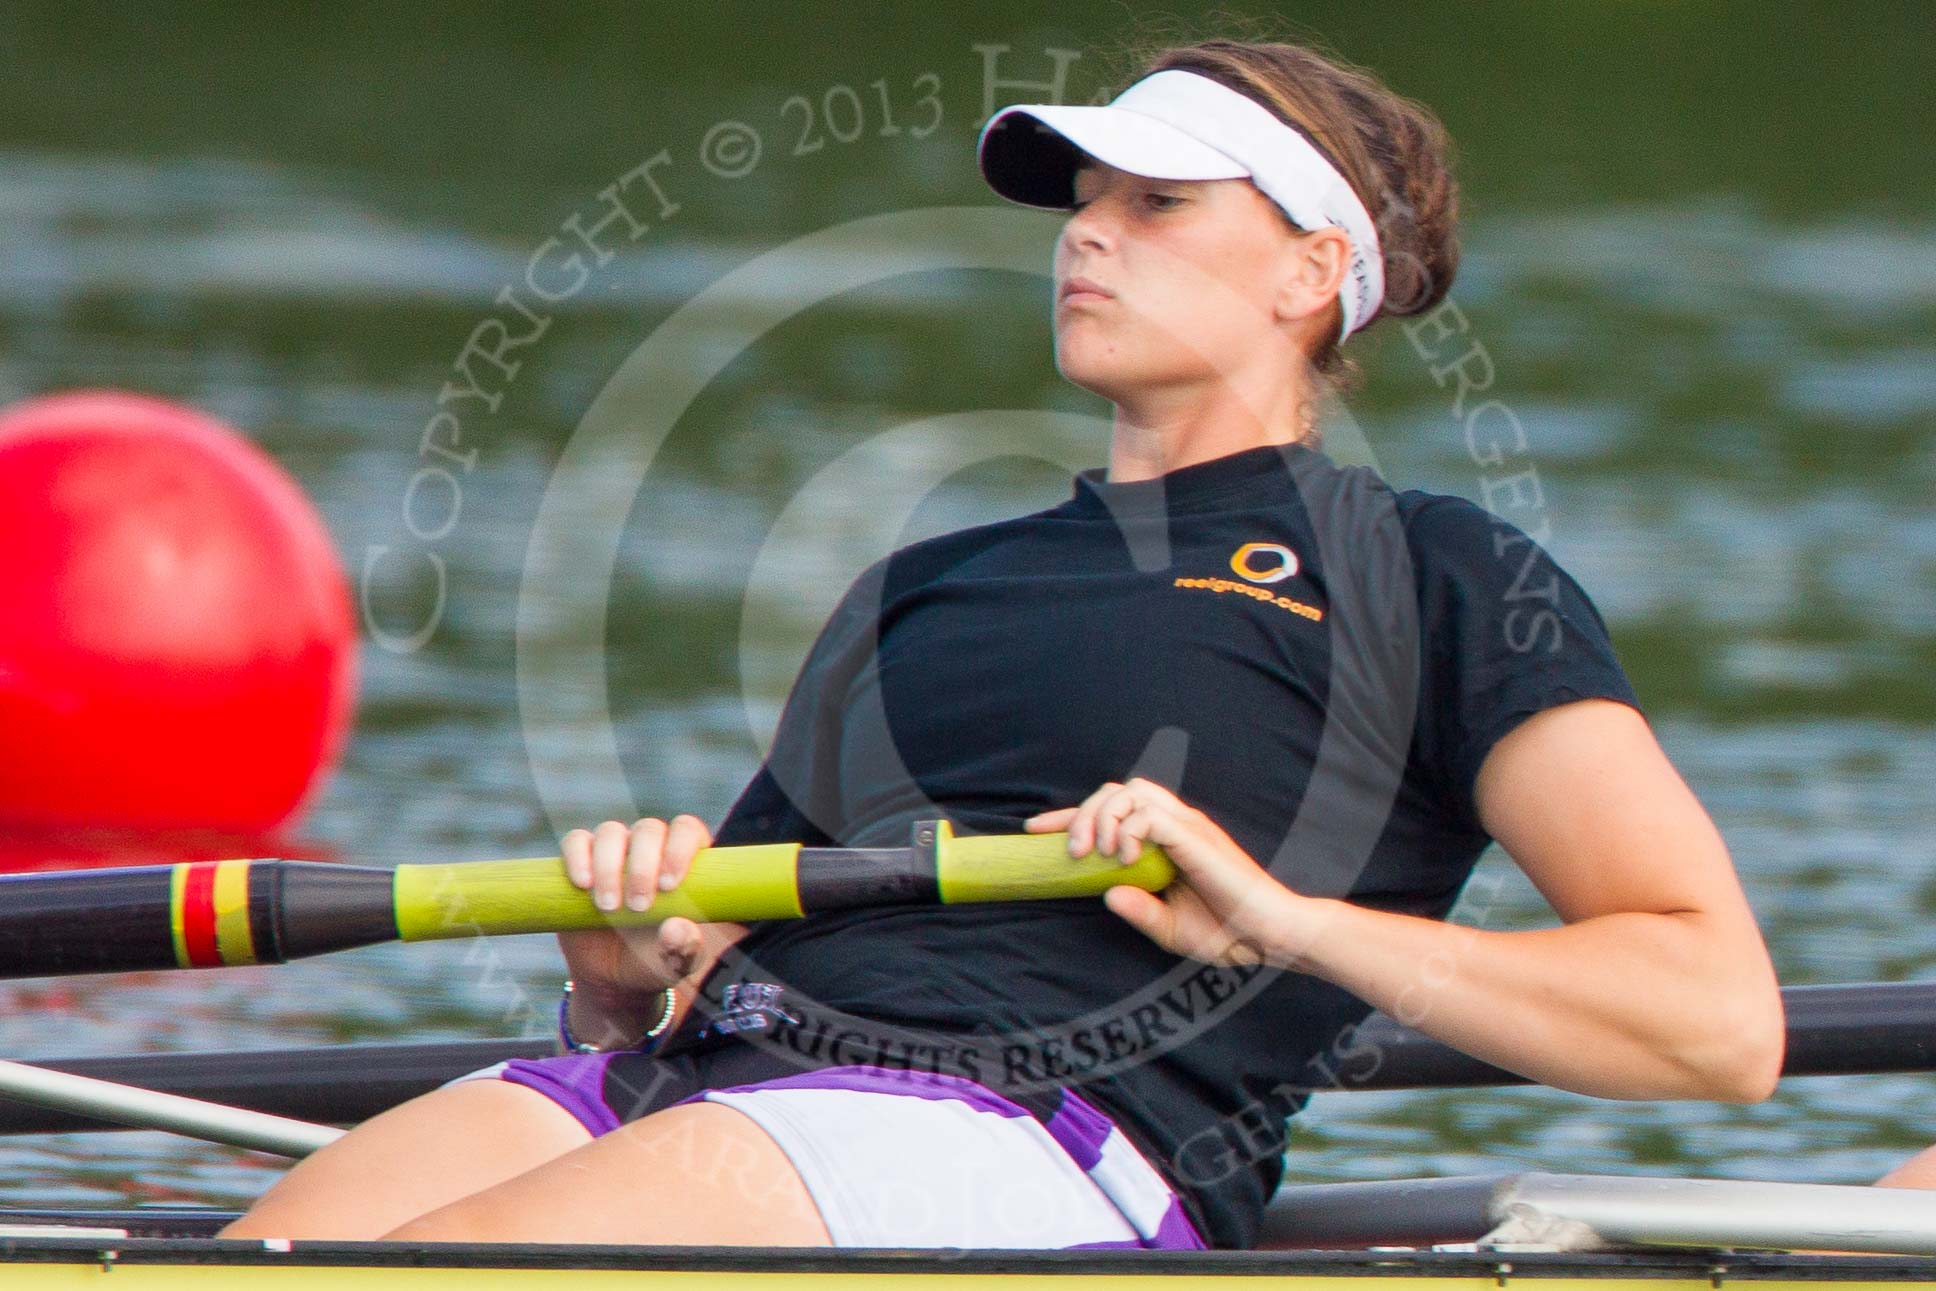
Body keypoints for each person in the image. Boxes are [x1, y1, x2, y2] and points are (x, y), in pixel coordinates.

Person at [222, 36, 1785, 1250]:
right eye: (1083, 206)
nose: (1086, 239)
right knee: (273, 1254)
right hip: (702, 1087)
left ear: (1316, 273)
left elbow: (1716, 1021)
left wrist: (1280, 919)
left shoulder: (1436, 572)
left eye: (1155, 204)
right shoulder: (927, 581)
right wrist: (624, 974)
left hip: (1037, 1137)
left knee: (473, 1257)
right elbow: (704, 966)